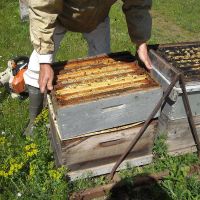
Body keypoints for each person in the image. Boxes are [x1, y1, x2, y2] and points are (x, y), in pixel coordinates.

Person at [23, 0, 152, 135]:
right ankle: (34, 124)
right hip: (60, 17)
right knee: (36, 70)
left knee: (103, 71)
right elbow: (43, 7)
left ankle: (97, 118)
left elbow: (138, 3)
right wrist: (44, 61)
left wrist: (141, 42)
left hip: (97, 20)